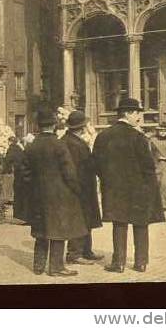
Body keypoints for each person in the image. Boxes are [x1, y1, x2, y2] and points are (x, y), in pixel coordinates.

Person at [93, 98, 165, 273]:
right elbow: (148, 166)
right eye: (136, 113)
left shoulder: (103, 136)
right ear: (126, 113)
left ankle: (118, 263)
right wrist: (149, 188)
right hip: (138, 189)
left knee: (119, 223)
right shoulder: (138, 137)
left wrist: (107, 180)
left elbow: (95, 164)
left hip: (114, 189)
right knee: (141, 223)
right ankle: (141, 262)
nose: (139, 117)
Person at [23, 108, 87, 277]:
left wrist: (34, 188)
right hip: (59, 195)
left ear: (38, 126)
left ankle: (38, 266)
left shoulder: (30, 147)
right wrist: (77, 190)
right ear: (53, 125)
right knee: (58, 231)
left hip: (38, 195)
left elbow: (24, 174)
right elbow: (69, 172)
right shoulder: (60, 145)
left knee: (41, 230)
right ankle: (56, 267)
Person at [61, 111, 104, 265]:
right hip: (78, 188)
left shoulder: (72, 140)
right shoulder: (71, 143)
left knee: (86, 219)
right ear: (82, 127)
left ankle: (86, 250)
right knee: (78, 220)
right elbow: (72, 168)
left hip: (84, 187)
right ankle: (74, 253)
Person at [3, 136, 30, 224]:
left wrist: (4, 170)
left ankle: (19, 214)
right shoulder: (20, 149)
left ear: (10, 142)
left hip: (17, 173)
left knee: (17, 193)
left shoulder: (11, 149)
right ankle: (22, 215)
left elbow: (7, 160)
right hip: (23, 174)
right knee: (23, 194)